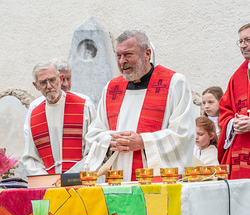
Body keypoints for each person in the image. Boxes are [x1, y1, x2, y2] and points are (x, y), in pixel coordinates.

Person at [81, 30, 195, 182]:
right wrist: (111, 140)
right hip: (118, 180)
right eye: (118, 55)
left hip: (155, 182)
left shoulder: (174, 83)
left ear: (147, 54)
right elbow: (94, 134)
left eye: (128, 54)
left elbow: (183, 133)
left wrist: (143, 142)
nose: (122, 61)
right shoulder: (111, 88)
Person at [22, 61, 96, 175]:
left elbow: (94, 150)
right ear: (36, 86)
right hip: (48, 186)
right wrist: (45, 179)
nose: (49, 86)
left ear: (60, 79)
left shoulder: (84, 108)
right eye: (43, 82)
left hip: (80, 181)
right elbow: (31, 158)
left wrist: (71, 176)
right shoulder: (35, 115)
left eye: (52, 80)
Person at [23, 58, 95, 141]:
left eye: (68, 78)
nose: (65, 84)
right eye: (43, 82)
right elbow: (29, 138)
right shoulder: (35, 107)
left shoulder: (84, 103)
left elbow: (93, 136)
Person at [218, 23, 250, 179]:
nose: (243, 46)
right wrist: (233, 123)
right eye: (241, 42)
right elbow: (225, 110)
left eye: (248, 40)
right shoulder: (237, 78)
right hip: (241, 152)